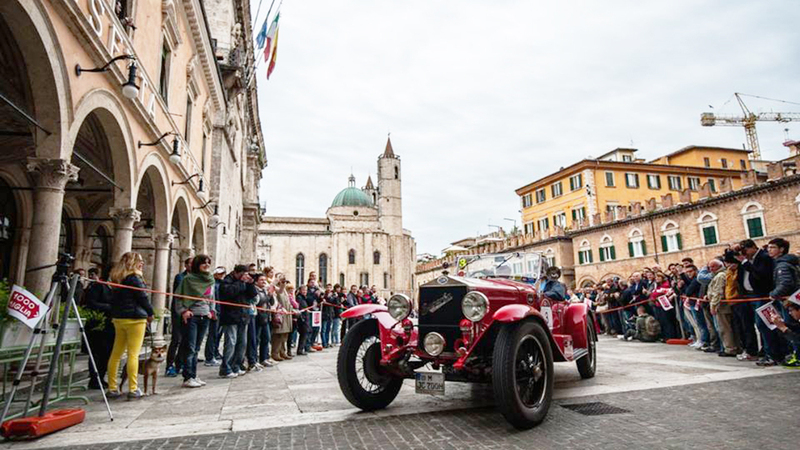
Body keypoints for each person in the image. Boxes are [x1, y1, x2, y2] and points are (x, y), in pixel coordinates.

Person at [106, 252, 154, 400]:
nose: (142, 264)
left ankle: (112, 388)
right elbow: (143, 298)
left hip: (119, 318)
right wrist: (151, 313)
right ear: (133, 263)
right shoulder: (134, 278)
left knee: (116, 354)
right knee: (133, 354)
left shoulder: (117, 278)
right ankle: (133, 388)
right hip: (135, 319)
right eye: (140, 261)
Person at [174, 254, 214, 388]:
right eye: (204, 263)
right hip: (192, 317)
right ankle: (188, 377)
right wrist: (184, 311)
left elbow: (211, 298)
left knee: (196, 348)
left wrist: (210, 311)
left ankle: (194, 374)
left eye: (208, 263)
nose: (207, 265)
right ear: (198, 264)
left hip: (204, 316)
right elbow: (178, 297)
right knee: (190, 348)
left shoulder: (210, 279)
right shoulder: (188, 279)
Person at [736, 239, 778, 365]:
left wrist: (744, 262)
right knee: (758, 325)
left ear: (753, 247)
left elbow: (761, 274)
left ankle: (772, 354)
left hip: (762, 295)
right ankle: (766, 352)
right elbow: (730, 258)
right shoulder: (749, 259)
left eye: (745, 250)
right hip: (751, 296)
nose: (744, 253)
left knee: (764, 325)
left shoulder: (763, 257)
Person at [218, 265, 257, 378]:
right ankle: (226, 367)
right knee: (231, 342)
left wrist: (250, 283)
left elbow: (253, 295)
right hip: (231, 316)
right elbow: (228, 293)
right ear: (236, 273)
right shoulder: (227, 281)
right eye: (243, 274)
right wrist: (241, 282)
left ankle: (237, 365)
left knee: (242, 342)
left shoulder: (244, 282)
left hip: (243, 316)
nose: (244, 276)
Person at [767, 238, 799, 365]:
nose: (769, 250)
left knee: (792, 328)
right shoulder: (787, 262)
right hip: (792, 299)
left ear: (781, 250)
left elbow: (785, 283)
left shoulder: (783, 265)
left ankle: (797, 356)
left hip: (790, 301)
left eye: (773, 247)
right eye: (769, 247)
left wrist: (774, 294)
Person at [84, 268, 114, 389]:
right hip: (98, 324)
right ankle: (94, 379)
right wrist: (111, 307)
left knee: (107, 353)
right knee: (97, 353)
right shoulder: (98, 286)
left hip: (109, 325)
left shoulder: (114, 288)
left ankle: (101, 377)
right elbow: (91, 303)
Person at [166, 257, 192, 377]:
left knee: (185, 340)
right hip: (178, 312)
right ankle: (169, 365)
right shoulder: (180, 277)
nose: (192, 266)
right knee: (176, 339)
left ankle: (179, 363)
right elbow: (181, 292)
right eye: (190, 264)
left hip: (190, 312)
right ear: (186, 265)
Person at [707, 259, 738, 357]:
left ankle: (730, 348)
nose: (711, 269)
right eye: (710, 267)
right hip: (722, 304)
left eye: (713, 267)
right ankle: (730, 347)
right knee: (725, 327)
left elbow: (718, 291)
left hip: (722, 306)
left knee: (724, 328)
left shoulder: (720, 275)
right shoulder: (721, 274)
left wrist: (713, 305)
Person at [204, 267, 226, 366]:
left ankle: (215, 352)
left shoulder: (222, 284)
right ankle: (209, 356)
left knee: (218, 334)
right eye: (220, 274)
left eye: (223, 274)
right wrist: (213, 311)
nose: (221, 275)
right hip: (215, 311)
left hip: (221, 311)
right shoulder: (213, 284)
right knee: (213, 334)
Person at [254, 273, 276, 367]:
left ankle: (264, 358)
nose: (263, 282)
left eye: (264, 280)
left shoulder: (264, 291)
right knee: (256, 339)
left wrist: (270, 295)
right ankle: (255, 359)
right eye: (261, 280)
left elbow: (271, 302)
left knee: (266, 338)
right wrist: (268, 295)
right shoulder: (256, 290)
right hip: (258, 318)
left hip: (265, 317)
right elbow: (259, 301)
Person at [271, 273, 294, 361]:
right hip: (280, 314)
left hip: (286, 314)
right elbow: (279, 291)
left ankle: (282, 352)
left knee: (285, 335)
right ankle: (275, 353)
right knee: (278, 335)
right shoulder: (275, 288)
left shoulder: (284, 289)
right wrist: (278, 281)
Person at [296, 285, 312, 355]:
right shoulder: (299, 298)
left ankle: (302, 348)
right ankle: (300, 349)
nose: (305, 292)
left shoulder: (303, 298)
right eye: (303, 290)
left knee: (305, 334)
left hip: (305, 317)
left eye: (306, 290)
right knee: (304, 333)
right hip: (302, 318)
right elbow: (301, 307)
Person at [321, 283, 335, 348]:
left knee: (328, 329)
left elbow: (334, 302)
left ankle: (327, 342)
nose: (329, 289)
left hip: (330, 314)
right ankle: (324, 343)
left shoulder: (333, 295)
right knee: (323, 329)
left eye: (330, 287)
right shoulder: (323, 295)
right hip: (324, 314)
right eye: (328, 287)